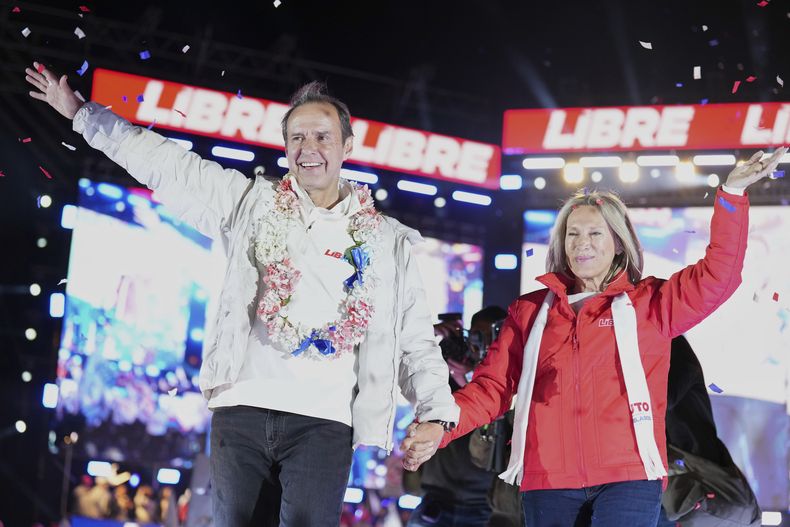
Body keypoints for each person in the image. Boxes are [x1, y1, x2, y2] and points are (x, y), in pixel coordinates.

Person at [25, 63, 459, 526]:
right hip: (242, 411)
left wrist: (436, 412)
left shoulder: (386, 240)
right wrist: (83, 115)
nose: (308, 149)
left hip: (325, 422)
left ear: (347, 146)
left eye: (321, 137)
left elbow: (416, 337)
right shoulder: (250, 202)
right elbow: (168, 163)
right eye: (297, 138)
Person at [401, 145, 786, 527]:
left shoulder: (651, 303)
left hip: (629, 478)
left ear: (618, 241)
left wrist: (732, 195)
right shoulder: (531, 312)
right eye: (573, 233)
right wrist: (440, 427)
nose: (581, 242)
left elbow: (717, 276)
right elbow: (491, 388)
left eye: (595, 233)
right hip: (547, 479)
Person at [405, 307, 507, 527]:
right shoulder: (445, 370)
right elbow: (404, 377)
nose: (482, 346)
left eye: (492, 338)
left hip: (484, 504)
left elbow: (500, 416)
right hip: (436, 499)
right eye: (477, 337)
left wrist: (469, 380)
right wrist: (426, 338)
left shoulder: (506, 376)